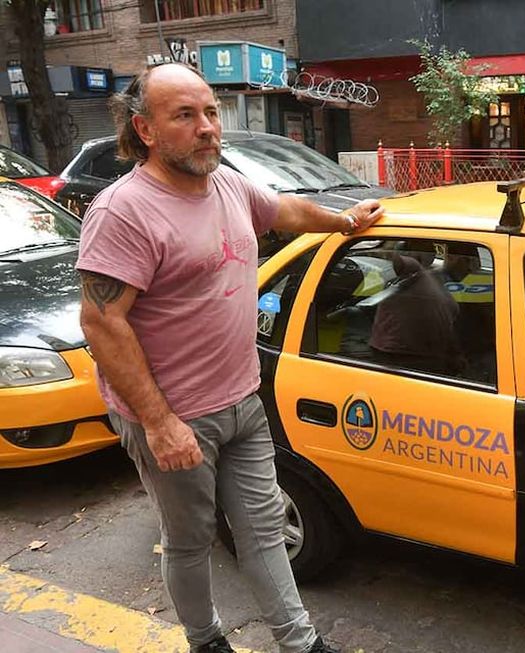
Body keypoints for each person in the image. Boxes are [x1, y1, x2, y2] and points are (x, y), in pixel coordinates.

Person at [76, 63, 383, 653]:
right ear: (145, 129)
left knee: (264, 529)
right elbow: (101, 321)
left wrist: (345, 221)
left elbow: (285, 212)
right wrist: (160, 424)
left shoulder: (227, 185)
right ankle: (206, 640)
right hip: (175, 417)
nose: (208, 128)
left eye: (211, 112)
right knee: (189, 540)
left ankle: (300, 643)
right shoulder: (124, 212)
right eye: (185, 116)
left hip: (243, 400)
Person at [369, 242, 462, 375]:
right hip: (400, 355)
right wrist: (389, 244)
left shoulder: (433, 275)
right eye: (429, 247)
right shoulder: (412, 267)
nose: (434, 252)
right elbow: (389, 256)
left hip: (426, 353)